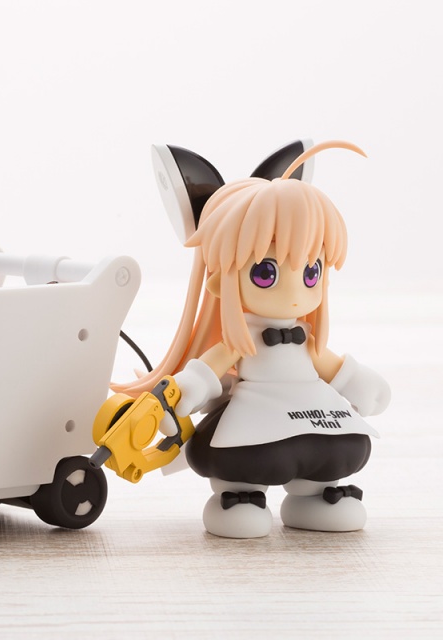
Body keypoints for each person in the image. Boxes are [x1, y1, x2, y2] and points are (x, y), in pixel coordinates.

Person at [113, 140, 390, 538]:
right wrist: (186, 391)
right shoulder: (240, 340)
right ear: (219, 280)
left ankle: (315, 496)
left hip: (315, 417)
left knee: (341, 447)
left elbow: (329, 364)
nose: (294, 290)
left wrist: (361, 383)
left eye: (310, 272)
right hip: (256, 422)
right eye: (266, 273)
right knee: (245, 454)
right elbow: (209, 368)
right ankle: (241, 496)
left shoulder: (306, 339)